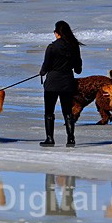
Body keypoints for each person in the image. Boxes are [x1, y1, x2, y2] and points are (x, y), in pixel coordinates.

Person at [39, 20, 83, 148]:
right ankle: (70, 139)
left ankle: (49, 139)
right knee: (67, 112)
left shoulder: (51, 47)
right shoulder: (74, 46)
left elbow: (45, 67)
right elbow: (78, 69)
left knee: (49, 112)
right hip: (67, 83)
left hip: (52, 83)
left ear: (57, 33)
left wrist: (42, 72)